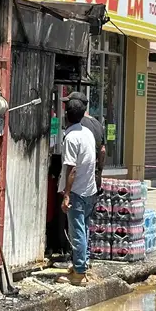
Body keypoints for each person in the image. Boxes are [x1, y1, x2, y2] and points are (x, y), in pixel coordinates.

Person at [56, 98, 98, 286]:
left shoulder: (71, 138)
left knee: (77, 233)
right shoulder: (87, 132)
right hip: (89, 190)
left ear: (66, 115)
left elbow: (71, 169)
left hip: (77, 192)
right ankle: (82, 265)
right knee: (84, 231)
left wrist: (66, 194)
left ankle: (79, 273)